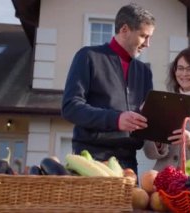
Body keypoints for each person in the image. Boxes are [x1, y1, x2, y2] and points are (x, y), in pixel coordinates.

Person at [62, 3, 155, 175]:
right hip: (90, 160)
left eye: (150, 37)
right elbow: (70, 107)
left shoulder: (144, 72)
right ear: (124, 30)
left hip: (129, 165)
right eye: (143, 36)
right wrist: (115, 119)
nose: (147, 44)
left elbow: (146, 118)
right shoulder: (88, 57)